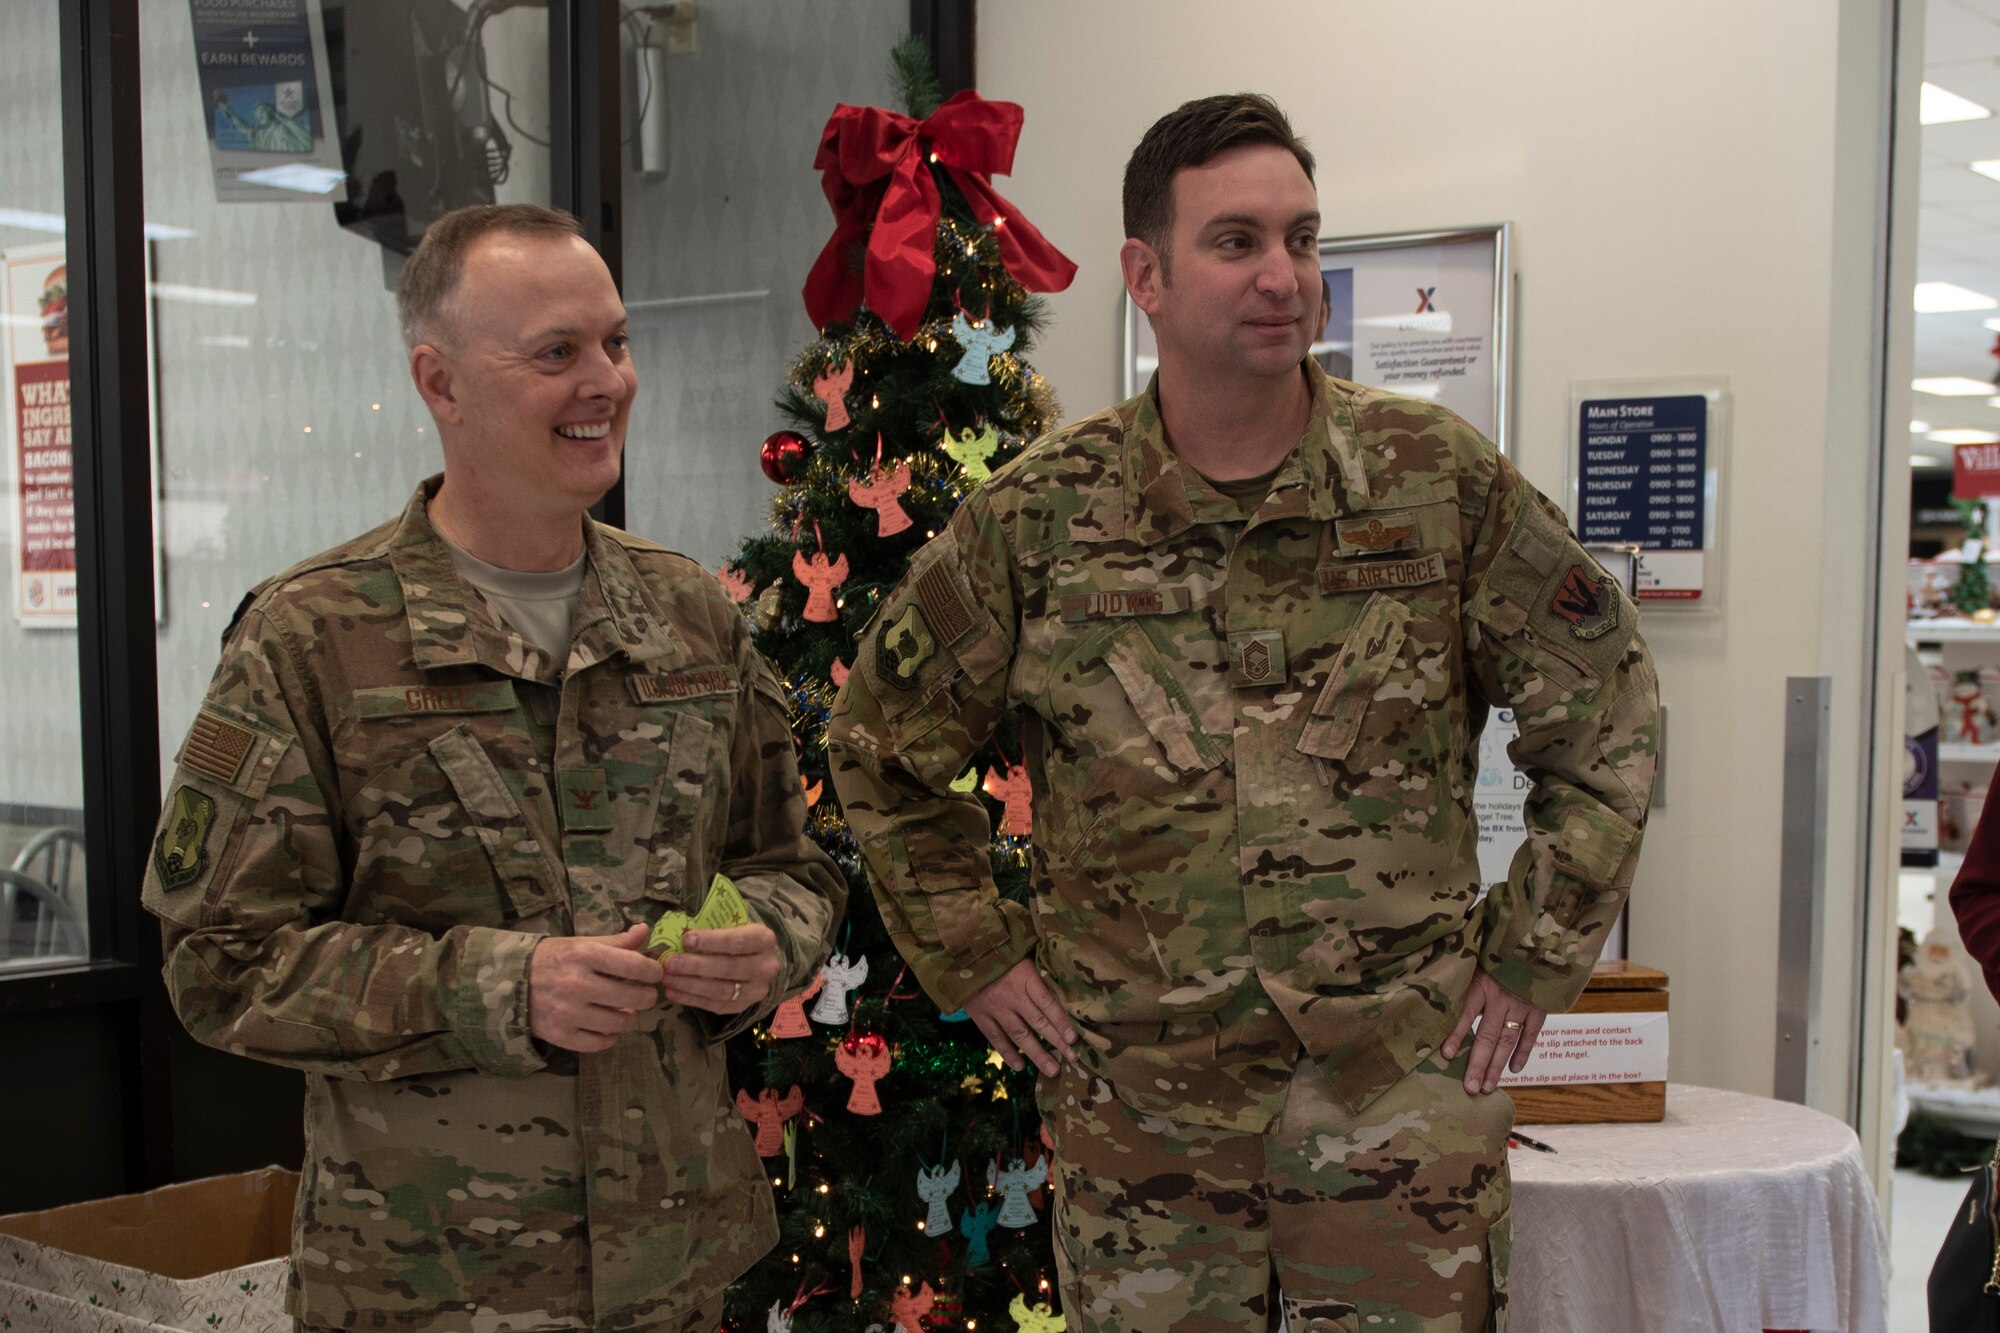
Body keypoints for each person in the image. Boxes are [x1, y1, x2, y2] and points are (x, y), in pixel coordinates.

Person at [828, 94, 1658, 1332]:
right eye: (1237, 242)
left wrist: (1534, 949)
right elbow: (880, 747)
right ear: (1145, 274)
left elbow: (1604, 715)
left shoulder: (1438, 487)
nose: (1283, 276)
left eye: (1303, 239)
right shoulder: (1038, 518)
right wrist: (976, 954)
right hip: (1141, 1111)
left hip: (1396, 1101)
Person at [142, 204, 845, 1333]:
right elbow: (220, 962)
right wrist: (499, 988)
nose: (605, 381)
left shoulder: (685, 617)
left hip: (672, 1265)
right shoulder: (312, 638)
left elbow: (790, 866)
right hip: (430, 1284)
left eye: (615, 343)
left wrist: (763, 944)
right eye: (555, 353)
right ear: (441, 381)